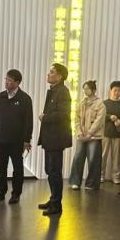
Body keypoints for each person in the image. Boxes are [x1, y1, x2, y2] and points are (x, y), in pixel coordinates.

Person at [0, 69, 33, 205]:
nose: (7, 82)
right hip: (1, 139)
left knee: (17, 168)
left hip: (17, 141)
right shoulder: (0, 97)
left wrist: (27, 140)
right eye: (6, 79)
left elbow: (28, 121)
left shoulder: (25, 99)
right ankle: (1, 191)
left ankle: (16, 194)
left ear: (17, 82)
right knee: (0, 167)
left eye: (10, 80)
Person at [37, 63, 72, 216]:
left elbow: (63, 114)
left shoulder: (63, 92)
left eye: (52, 72)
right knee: (50, 171)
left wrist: (45, 117)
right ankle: (53, 199)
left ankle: (57, 204)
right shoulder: (53, 91)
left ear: (60, 76)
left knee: (55, 172)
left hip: (56, 138)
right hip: (50, 137)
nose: (48, 74)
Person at [69, 80, 106, 190]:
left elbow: (99, 121)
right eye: (84, 89)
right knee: (78, 158)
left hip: (94, 136)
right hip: (82, 135)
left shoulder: (100, 104)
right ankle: (75, 182)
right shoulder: (82, 103)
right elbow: (76, 119)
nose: (85, 91)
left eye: (88, 89)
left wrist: (90, 133)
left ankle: (92, 184)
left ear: (94, 90)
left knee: (93, 160)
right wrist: (80, 133)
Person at [101, 81, 120, 185]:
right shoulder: (104, 103)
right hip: (105, 133)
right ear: (110, 90)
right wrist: (109, 117)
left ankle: (116, 176)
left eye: (119, 90)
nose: (117, 92)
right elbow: (100, 116)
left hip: (118, 134)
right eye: (115, 90)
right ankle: (100, 175)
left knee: (116, 157)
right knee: (103, 155)